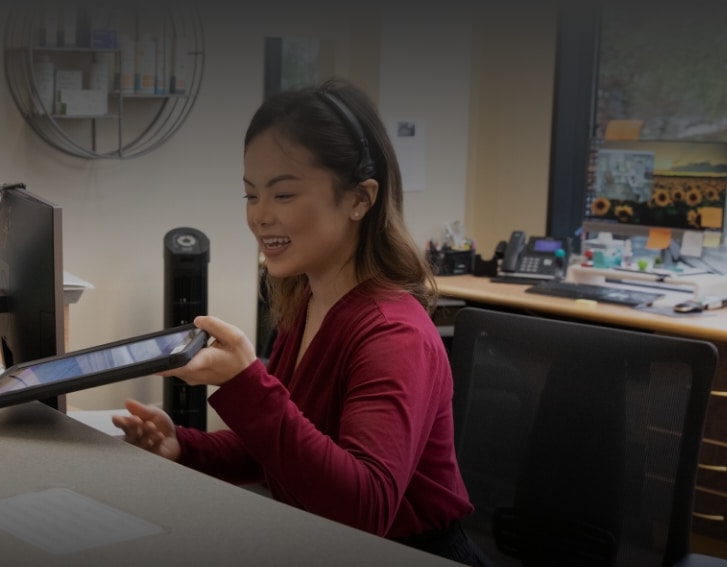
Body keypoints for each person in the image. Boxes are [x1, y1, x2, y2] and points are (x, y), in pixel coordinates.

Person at [112, 79, 483, 565]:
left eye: (283, 195)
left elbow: (364, 510)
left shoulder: (394, 333)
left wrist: (247, 385)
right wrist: (184, 447)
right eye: (250, 196)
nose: (260, 217)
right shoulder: (306, 302)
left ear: (359, 199)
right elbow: (282, 451)